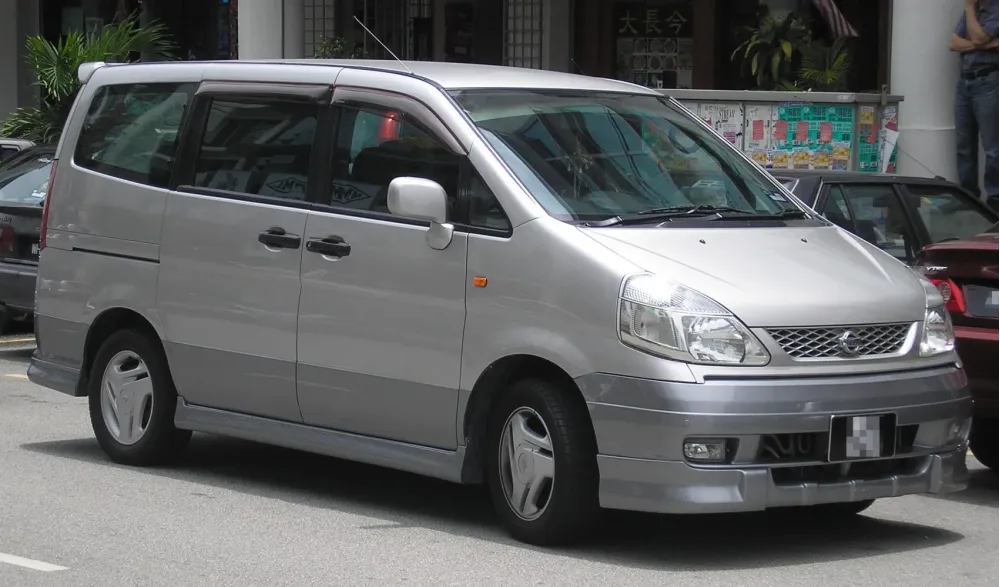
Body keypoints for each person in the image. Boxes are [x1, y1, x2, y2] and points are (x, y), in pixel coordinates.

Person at [951, 0, 1000, 213]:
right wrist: (987, 45)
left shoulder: (995, 9)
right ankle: (968, 196)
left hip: (988, 79)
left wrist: (969, 9)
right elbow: (953, 43)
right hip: (965, 82)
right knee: (964, 144)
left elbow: (977, 36)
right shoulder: (974, 11)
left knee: (993, 146)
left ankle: (996, 198)